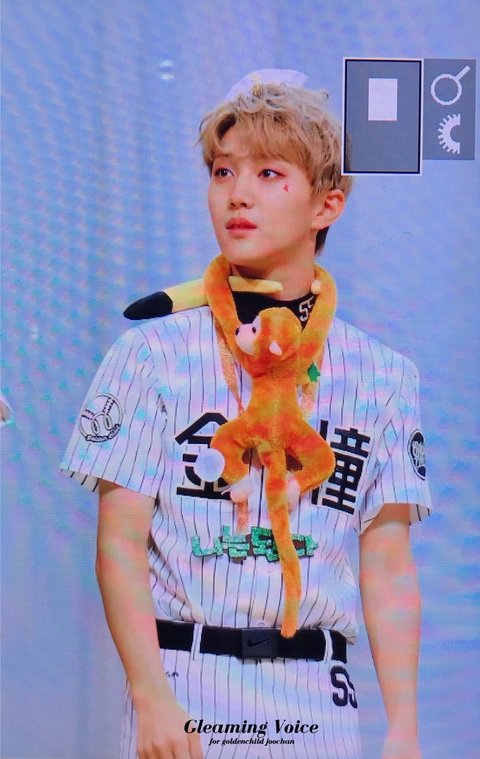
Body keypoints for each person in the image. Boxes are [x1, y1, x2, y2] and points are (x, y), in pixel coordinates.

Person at [61, 70, 432, 759]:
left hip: (318, 695)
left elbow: (388, 564)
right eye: (223, 171)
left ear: (327, 205)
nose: (237, 194)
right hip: (187, 686)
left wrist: (404, 728)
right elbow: (119, 542)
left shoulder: (383, 375)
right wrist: (151, 695)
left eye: (268, 174)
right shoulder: (151, 354)